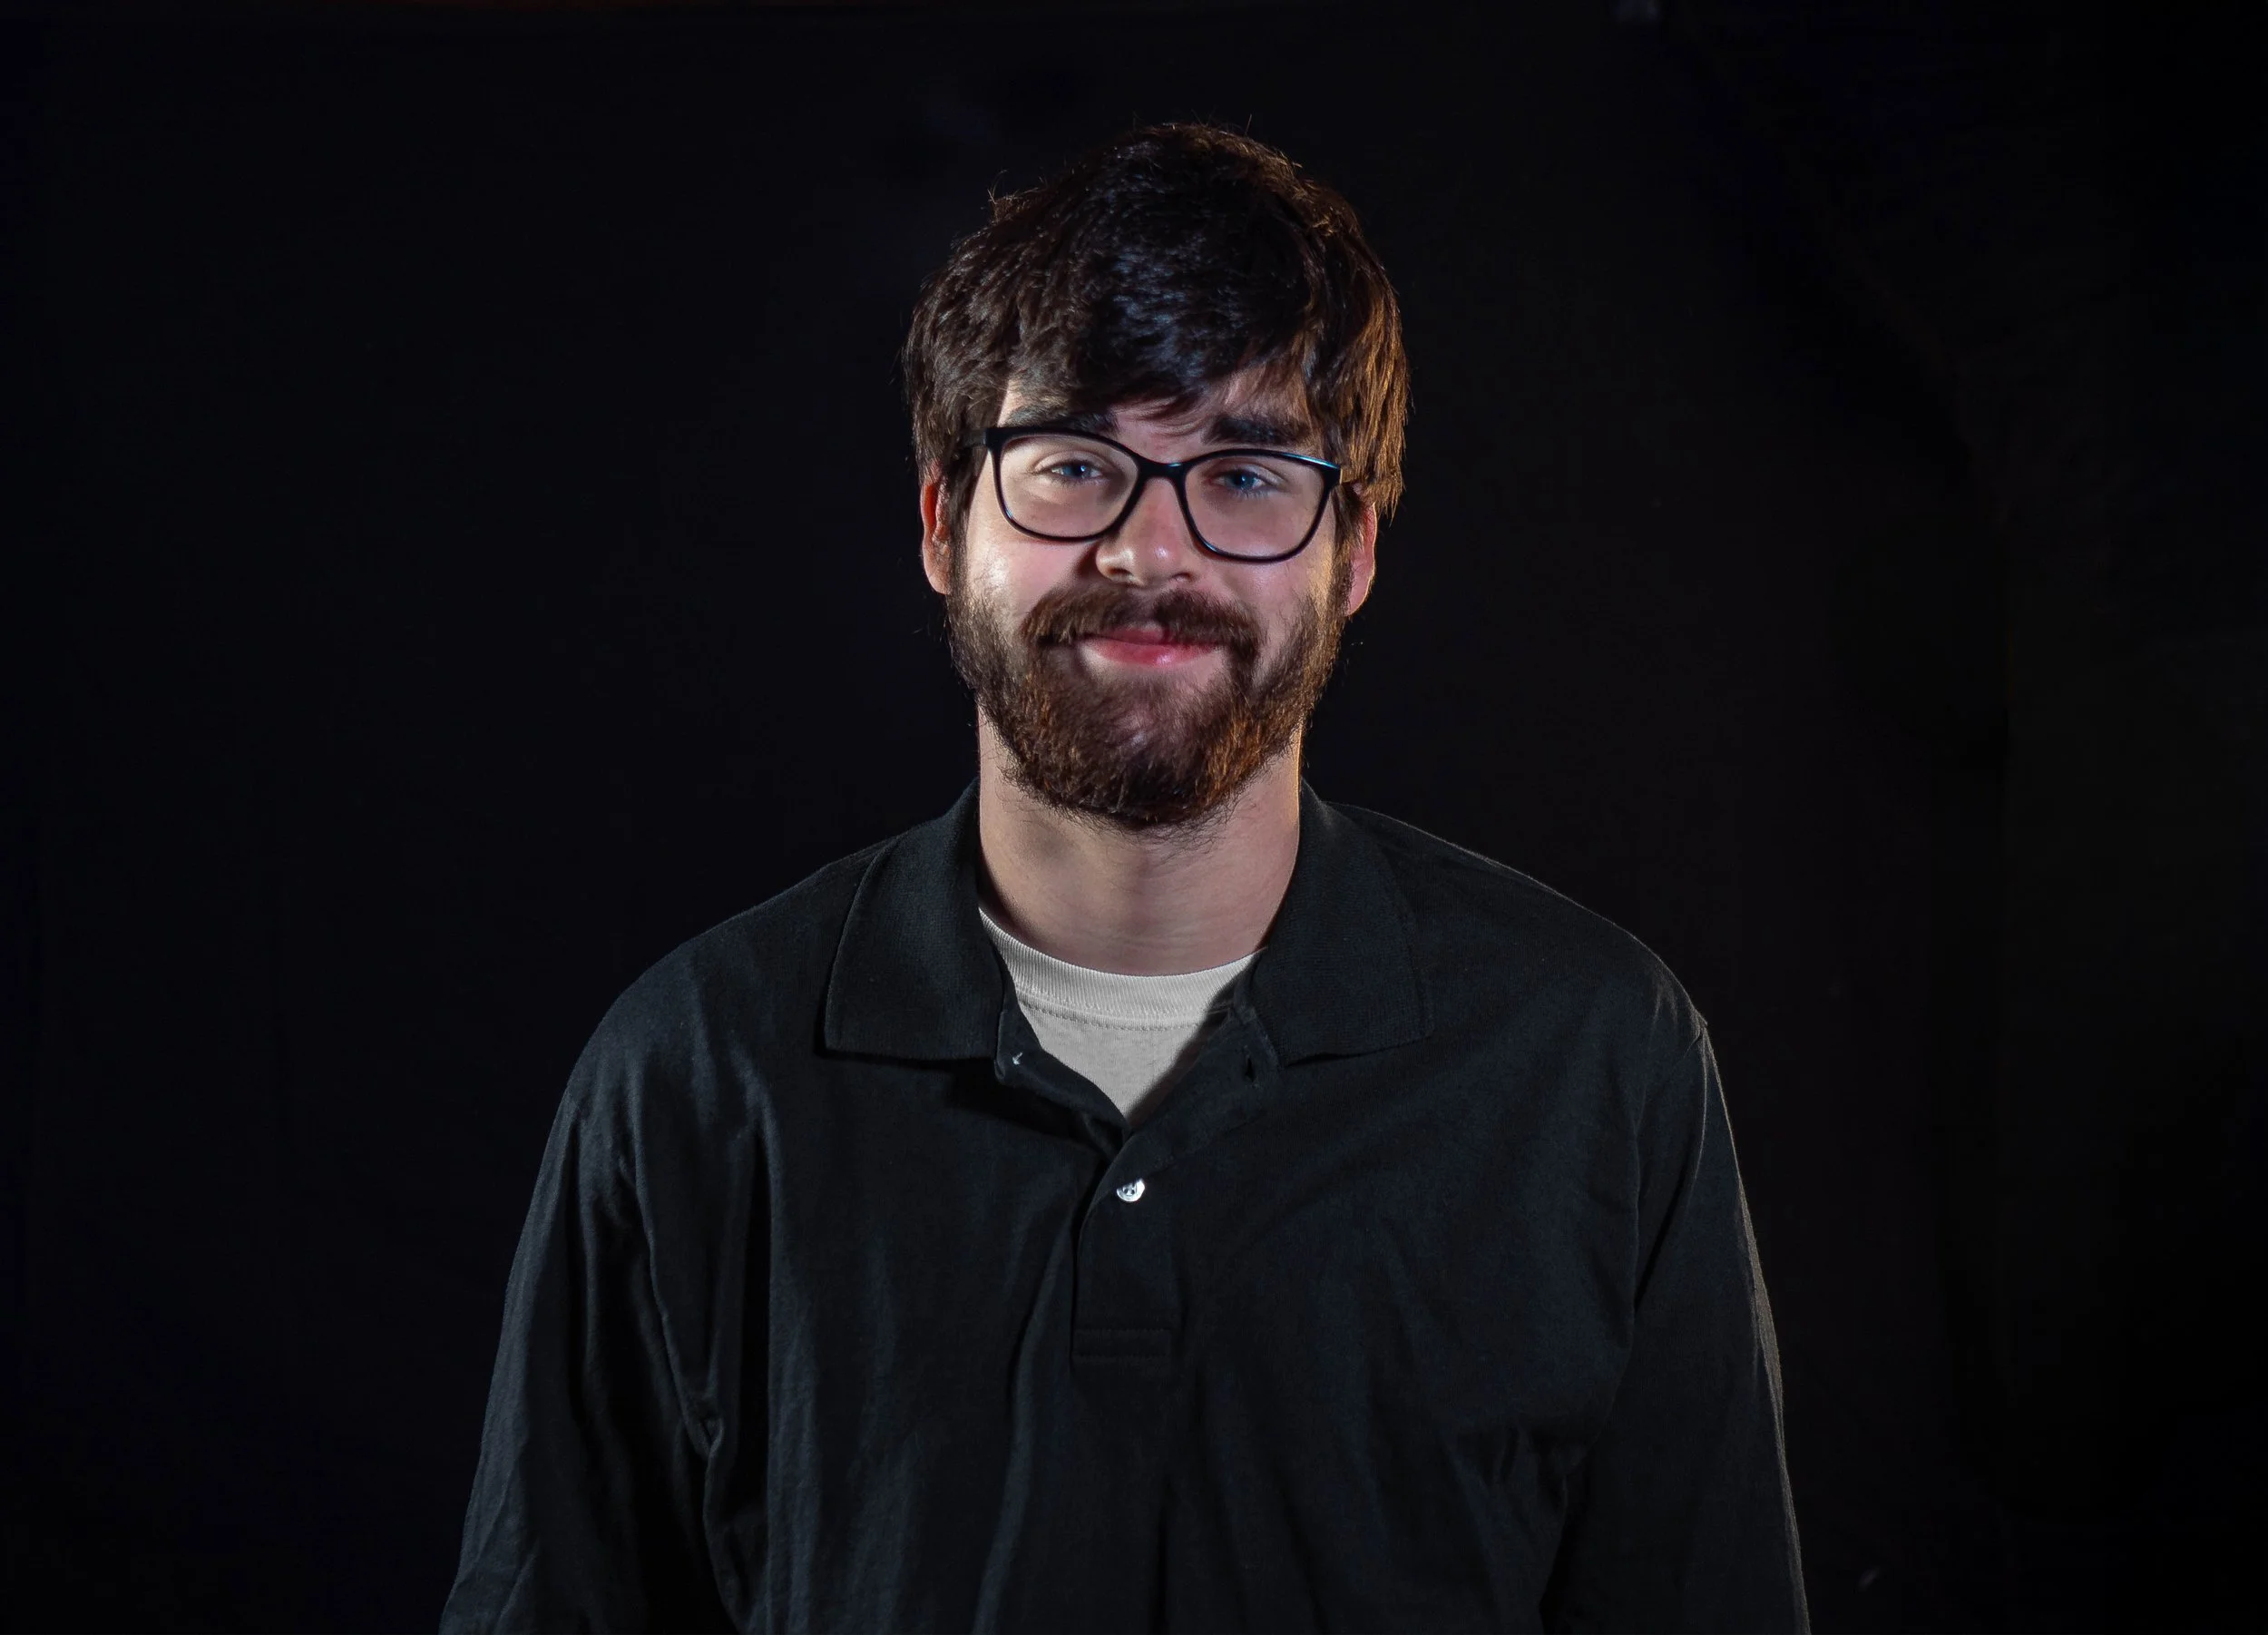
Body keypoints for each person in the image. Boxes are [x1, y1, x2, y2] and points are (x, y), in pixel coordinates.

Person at [442, 123, 1806, 1634]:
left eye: (1242, 469)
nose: (1150, 549)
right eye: (1077, 463)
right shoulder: (693, 1076)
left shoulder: (1595, 1060)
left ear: (1352, 548)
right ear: (944, 522)